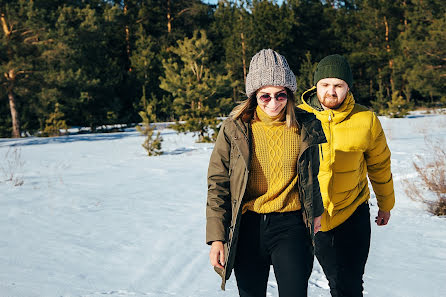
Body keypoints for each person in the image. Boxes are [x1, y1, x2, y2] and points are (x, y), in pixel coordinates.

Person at [206, 48, 326, 297]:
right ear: (254, 96)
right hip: (247, 226)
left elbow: (312, 176)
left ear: (290, 94)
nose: (273, 103)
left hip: (291, 226)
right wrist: (217, 238)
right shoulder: (235, 129)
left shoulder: (306, 127)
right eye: (265, 96)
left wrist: (316, 212)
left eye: (280, 95)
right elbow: (218, 185)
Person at [299, 54, 395, 297]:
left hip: (352, 213)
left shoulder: (366, 119)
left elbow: (380, 165)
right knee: (299, 283)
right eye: (325, 85)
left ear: (348, 87)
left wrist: (386, 204)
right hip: (309, 216)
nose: (331, 91)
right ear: (315, 86)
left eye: (338, 85)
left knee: (348, 286)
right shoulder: (298, 117)